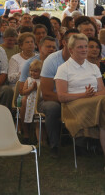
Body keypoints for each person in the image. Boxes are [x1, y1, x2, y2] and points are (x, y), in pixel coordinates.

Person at [54, 34, 105, 166]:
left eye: (85, 46)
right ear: (71, 50)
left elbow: (103, 90)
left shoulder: (94, 67)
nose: (84, 50)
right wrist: (84, 95)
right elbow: (62, 97)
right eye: (80, 47)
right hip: (73, 106)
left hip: (97, 102)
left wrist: (91, 96)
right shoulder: (63, 68)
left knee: (103, 104)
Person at [40, 29, 79, 158]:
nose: (75, 45)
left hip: (76, 98)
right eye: (71, 41)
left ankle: (85, 143)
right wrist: (67, 99)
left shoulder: (83, 59)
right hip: (53, 99)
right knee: (53, 108)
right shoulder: (52, 61)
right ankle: (54, 146)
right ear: (64, 42)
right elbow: (46, 93)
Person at [19, 59, 42, 143]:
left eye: (35, 71)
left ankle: (38, 136)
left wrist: (38, 88)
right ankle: (26, 134)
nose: (32, 73)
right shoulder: (29, 80)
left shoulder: (42, 81)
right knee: (24, 101)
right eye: (31, 71)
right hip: (29, 101)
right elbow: (23, 92)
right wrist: (32, 88)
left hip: (39, 101)